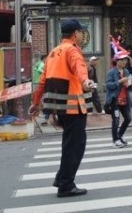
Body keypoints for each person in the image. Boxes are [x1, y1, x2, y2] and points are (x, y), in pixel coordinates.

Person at [28, 19, 94, 197]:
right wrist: (85, 81)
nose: (81, 35)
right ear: (75, 33)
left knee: (70, 144)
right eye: (81, 32)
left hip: (61, 108)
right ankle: (66, 184)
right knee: (75, 146)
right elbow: (79, 68)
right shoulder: (72, 50)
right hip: (74, 107)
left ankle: (62, 178)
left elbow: (42, 81)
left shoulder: (53, 52)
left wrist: (35, 103)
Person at [105, 50, 132, 148]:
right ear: (116, 61)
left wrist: (128, 84)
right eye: (122, 60)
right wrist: (120, 81)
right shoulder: (111, 72)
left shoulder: (126, 71)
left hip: (125, 99)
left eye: (125, 59)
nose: (124, 62)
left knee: (128, 118)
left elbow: (129, 85)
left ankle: (119, 135)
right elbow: (108, 85)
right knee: (116, 121)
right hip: (115, 101)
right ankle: (115, 140)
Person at [32, 54, 51, 125]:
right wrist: (46, 72)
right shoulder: (42, 64)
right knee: (41, 99)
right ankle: (41, 113)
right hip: (39, 82)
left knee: (39, 99)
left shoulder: (38, 63)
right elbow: (40, 69)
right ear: (44, 59)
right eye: (46, 58)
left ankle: (40, 113)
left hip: (36, 82)